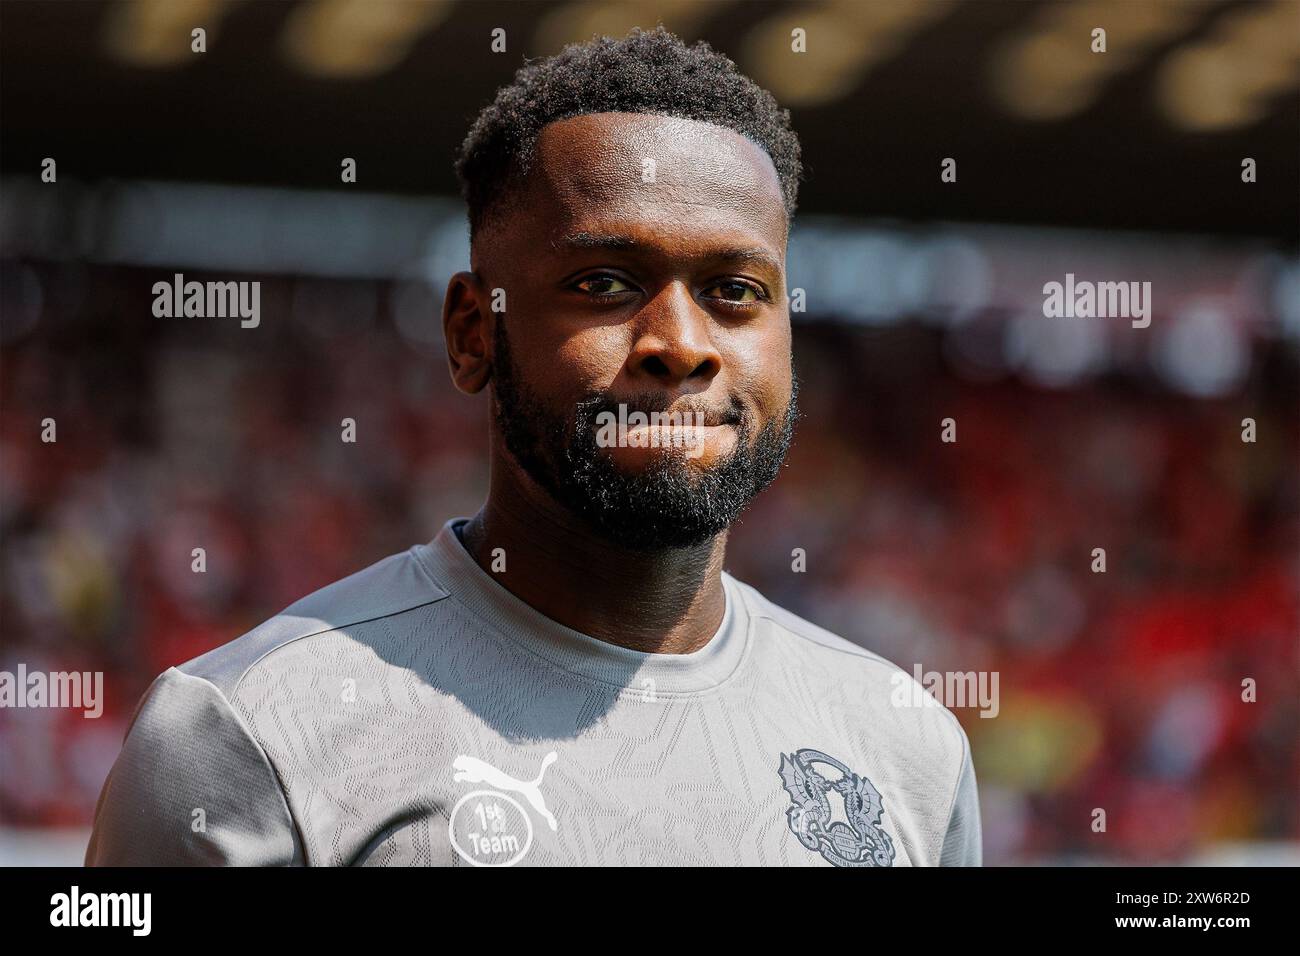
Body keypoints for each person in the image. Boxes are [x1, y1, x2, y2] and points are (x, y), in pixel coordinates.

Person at [86, 25, 980, 867]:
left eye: (735, 290)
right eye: (603, 283)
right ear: (474, 333)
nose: (682, 341)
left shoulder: (906, 745)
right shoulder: (244, 738)